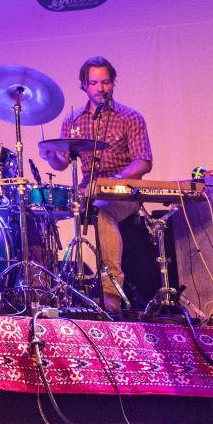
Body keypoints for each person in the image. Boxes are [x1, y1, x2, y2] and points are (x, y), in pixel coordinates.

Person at [41, 56, 152, 314]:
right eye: (94, 83)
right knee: (40, 211)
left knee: (103, 210)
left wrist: (114, 182)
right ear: (84, 85)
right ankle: (42, 286)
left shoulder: (130, 117)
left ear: (113, 84)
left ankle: (111, 292)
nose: (100, 88)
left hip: (122, 194)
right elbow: (62, 164)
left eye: (105, 82)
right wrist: (51, 156)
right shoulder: (73, 120)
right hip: (86, 191)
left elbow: (143, 162)